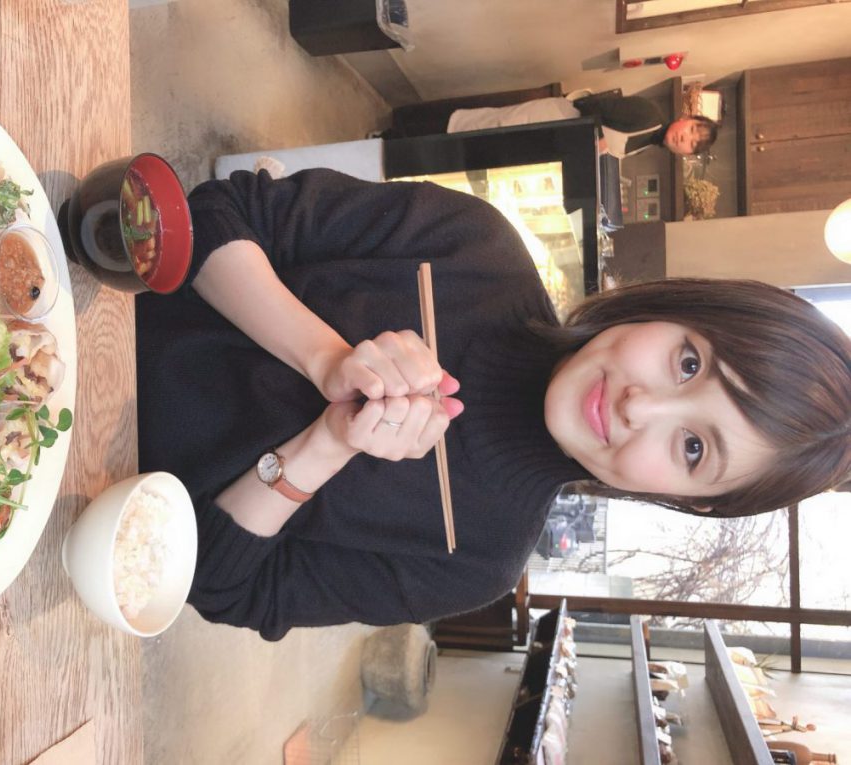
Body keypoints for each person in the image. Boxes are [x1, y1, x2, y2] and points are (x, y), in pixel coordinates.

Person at [136, 168, 850, 640]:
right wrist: (325, 358)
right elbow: (216, 213)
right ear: (676, 309)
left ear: (688, 500)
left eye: (692, 448)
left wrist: (326, 444)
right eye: (688, 363)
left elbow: (212, 583)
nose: (641, 408)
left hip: (91, 494)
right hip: (92, 318)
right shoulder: (476, 248)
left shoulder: (476, 559)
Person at [447, 93, 718, 158]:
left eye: (692, 144)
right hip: (552, 118)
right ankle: (426, 131)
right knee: (485, 126)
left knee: (486, 147)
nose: (685, 139)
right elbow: (590, 104)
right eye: (692, 130)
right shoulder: (649, 114)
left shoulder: (648, 143)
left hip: (551, 141)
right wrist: (598, 137)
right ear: (684, 119)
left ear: (685, 154)